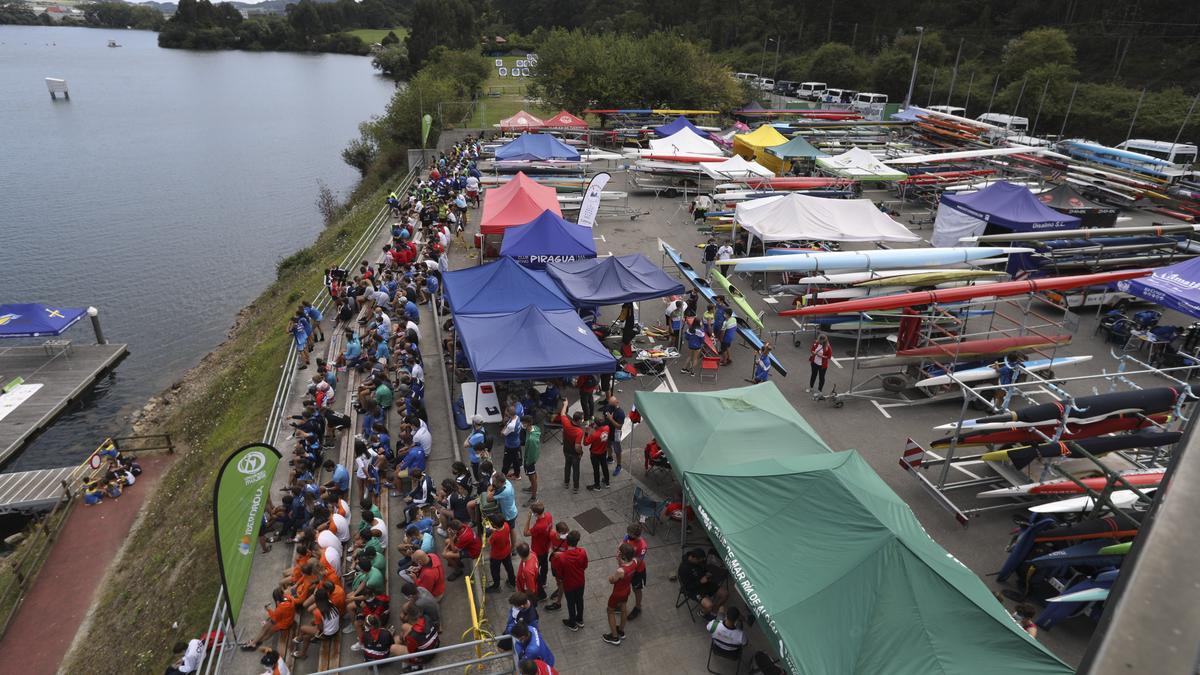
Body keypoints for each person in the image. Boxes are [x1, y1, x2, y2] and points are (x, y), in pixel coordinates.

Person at [551, 530, 588, 631]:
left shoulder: (561, 557)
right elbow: (585, 566)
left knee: (571, 603)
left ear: (567, 542)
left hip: (569, 584)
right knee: (580, 600)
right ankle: (579, 619)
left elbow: (559, 574)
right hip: (580, 581)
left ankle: (572, 622)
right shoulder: (583, 552)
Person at [678, 547, 729, 618]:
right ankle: (702, 612)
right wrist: (700, 582)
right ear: (694, 558)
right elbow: (687, 586)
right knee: (709, 605)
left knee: (725, 594)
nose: (701, 562)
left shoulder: (699, 561)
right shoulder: (684, 569)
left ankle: (714, 609)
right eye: (699, 561)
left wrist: (706, 573)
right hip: (694, 590)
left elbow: (703, 568)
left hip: (705, 583)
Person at [602, 543, 638, 645]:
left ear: (623, 556)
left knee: (610, 611)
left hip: (617, 593)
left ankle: (614, 637)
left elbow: (612, 581)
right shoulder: (634, 562)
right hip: (627, 590)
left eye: (619, 552)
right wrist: (620, 561)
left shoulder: (620, 571)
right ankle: (621, 631)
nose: (617, 553)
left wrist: (610, 578)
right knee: (623, 608)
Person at [293, 587, 339, 659]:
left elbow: (320, 628)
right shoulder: (330, 602)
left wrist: (315, 628)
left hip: (327, 634)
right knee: (312, 622)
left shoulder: (317, 612)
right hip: (335, 629)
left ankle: (302, 651)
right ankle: (302, 638)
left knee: (304, 632)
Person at [524, 502, 553, 600]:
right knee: (544, 566)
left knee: (535, 572)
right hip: (546, 547)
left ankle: (541, 593)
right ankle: (544, 581)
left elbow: (526, 533)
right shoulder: (548, 516)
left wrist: (528, 518)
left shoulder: (539, 526)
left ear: (535, 513)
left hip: (538, 550)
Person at [557, 399, 585, 493]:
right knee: (576, 469)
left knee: (567, 466)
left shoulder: (566, 422)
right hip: (574, 453)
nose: (583, 420)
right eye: (582, 419)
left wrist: (565, 404)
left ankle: (566, 483)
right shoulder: (579, 431)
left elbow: (562, 413)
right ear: (578, 420)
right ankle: (575, 487)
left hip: (566, 449)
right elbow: (577, 446)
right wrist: (581, 453)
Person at [622, 523, 648, 619]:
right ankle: (620, 604)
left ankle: (638, 607)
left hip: (637, 571)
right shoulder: (627, 536)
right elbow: (622, 546)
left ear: (636, 535)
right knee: (623, 587)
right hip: (626, 567)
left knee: (636, 589)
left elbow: (639, 560)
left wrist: (627, 565)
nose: (627, 534)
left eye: (630, 533)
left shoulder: (642, 546)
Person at [486, 514, 517, 592]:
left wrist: (490, 532)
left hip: (496, 556)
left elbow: (489, 542)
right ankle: (512, 582)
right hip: (507, 551)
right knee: (509, 567)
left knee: (495, 571)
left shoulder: (495, 536)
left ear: (494, 525)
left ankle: (496, 586)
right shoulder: (506, 525)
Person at [583, 416, 610, 491]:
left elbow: (585, 443)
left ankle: (597, 485)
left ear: (596, 425)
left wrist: (586, 433)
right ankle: (607, 482)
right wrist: (595, 426)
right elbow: (601, 428)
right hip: (603, 451)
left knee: (596, 469)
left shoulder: (594, 435)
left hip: (595, 454)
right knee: (604, 466)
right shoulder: (607, 428)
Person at [520, 415, 541, 502]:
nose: (521, 424)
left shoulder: (531, 439)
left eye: (522, 423)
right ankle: (532, 488)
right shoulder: (535, 428)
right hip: (532, 458)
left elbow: (531, 453)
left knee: (532, 478)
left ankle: (533, 496)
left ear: (527, 423)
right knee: (532, 475)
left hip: (529, 461)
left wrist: (527, 462)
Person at [501, 406, 523, 479]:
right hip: (516, 442)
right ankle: (517, 474)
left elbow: (503, 433)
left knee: (506, 461)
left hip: (510, 445)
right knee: (515, 459)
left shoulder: (511, 426)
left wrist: (504, 427)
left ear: (508, 413)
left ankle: (502, 476)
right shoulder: (517, 417)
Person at [808, 333, 833, 398]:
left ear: (825, 340)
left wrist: (821, 356)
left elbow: (829, 357)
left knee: (821, 378)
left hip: (822, 365)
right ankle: (811, 387)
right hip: (814, 362)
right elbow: (812, 350)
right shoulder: (816, 343)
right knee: (813, 375)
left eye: (822, 340)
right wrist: (814, 352)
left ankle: (820, 391)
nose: (821, 341)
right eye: (820, 340)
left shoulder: (828, 347)